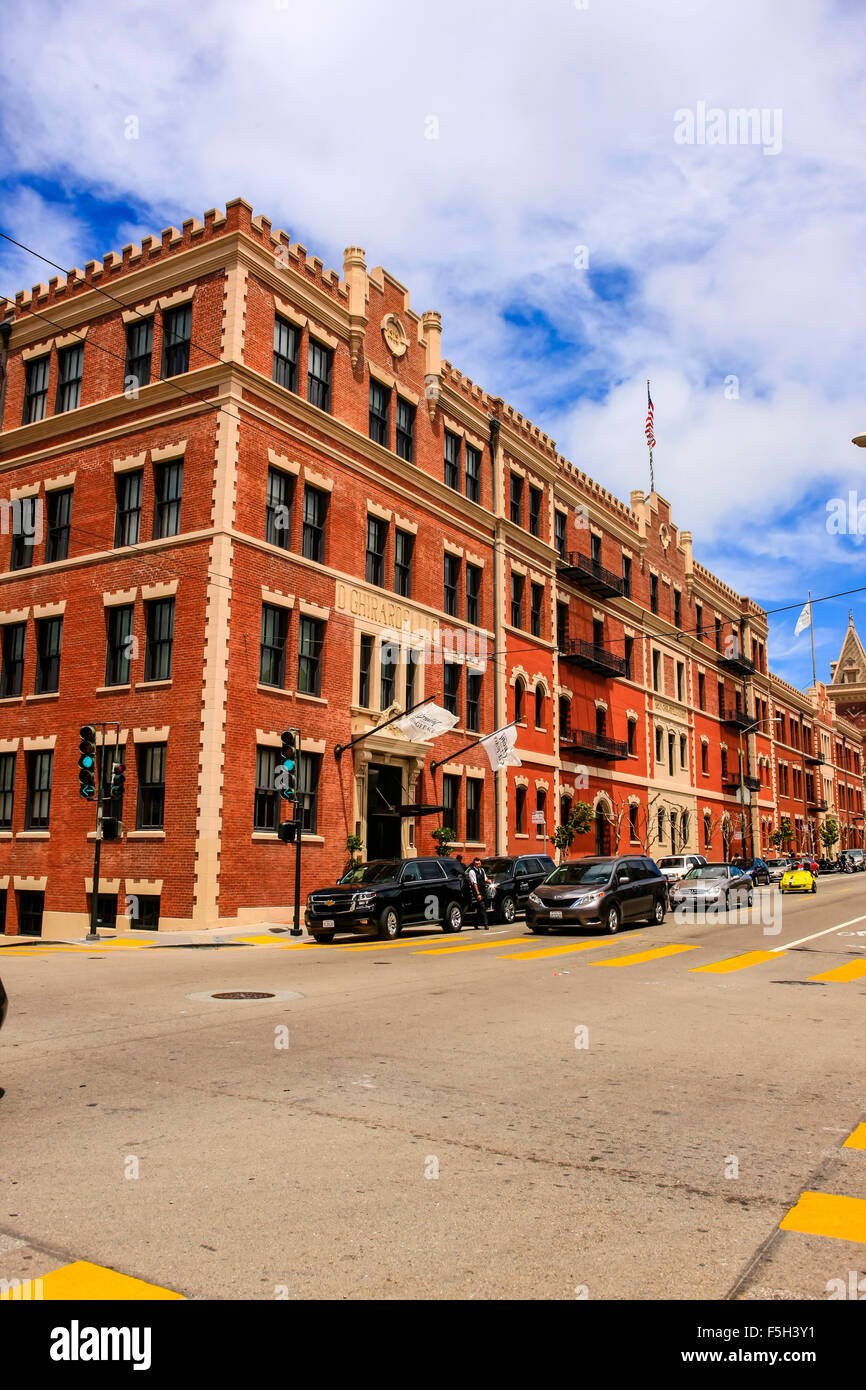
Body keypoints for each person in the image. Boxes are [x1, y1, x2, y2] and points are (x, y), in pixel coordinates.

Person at [466, 857, 490, 930]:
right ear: (474, 864)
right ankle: (486, 924)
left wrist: (489, 881)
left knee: (480, 908)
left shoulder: (482, 870)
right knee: (482, 906)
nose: (478, 865)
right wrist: (478, 894)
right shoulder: (472, 872)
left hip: (483, 890)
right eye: (476, 864)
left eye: (479, 863)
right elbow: (474, 883)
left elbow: (485, 879)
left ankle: (475, 923)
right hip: (477, 891)